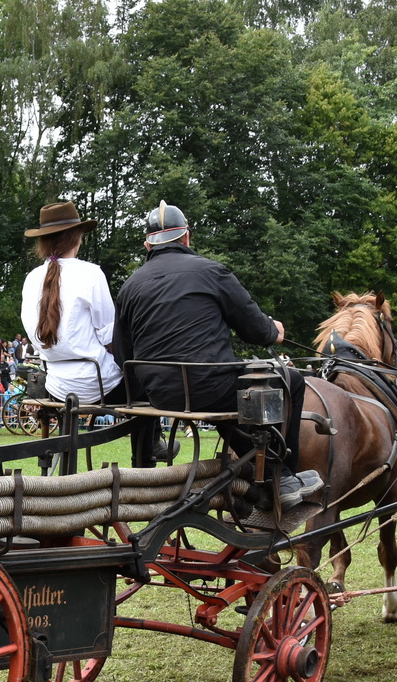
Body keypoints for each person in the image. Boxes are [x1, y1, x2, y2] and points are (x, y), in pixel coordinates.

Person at [114, 201, 321, 509]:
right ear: (186, 237)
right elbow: (253, 327)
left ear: (147, 245)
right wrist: (273, 330)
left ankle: (255, 469)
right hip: (209, 387)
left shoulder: (130, 286)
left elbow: (123, 353)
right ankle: (283, 476)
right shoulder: (210, 271)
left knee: (227, 396)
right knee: (290, 380)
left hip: (159, 394)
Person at [17, 201, 124, 404]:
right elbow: (109, 336)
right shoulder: (91, 273)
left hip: (56, 385)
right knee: (146, 383)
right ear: (76, 238)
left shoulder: (32, 278)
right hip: (99, 384)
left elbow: (36, 339)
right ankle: (152, 437)